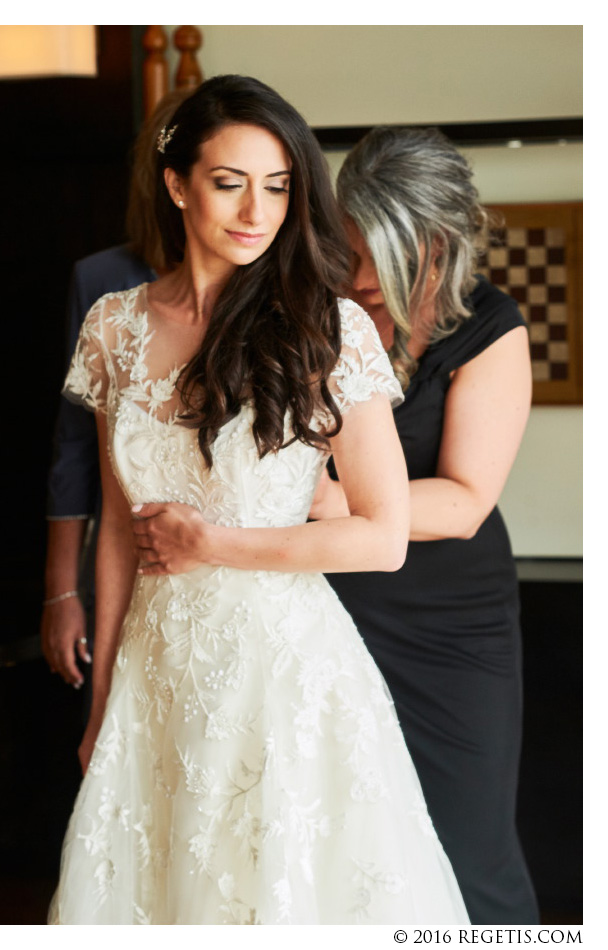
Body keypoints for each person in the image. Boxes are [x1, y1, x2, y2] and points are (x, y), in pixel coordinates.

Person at [47, 75, 469, 925]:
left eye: (277, 185)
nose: (257, 210)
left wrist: (216, 544)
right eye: (229, 181)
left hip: (284, 673)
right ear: (177, 184)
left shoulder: (328, 326)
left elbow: (382, 536)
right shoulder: (112, 327)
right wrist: (104, 707)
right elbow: (123, 534)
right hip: (156, 673)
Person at [309, 126, 539, 924]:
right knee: (346, 847)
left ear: (437, 244)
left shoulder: (489, 325)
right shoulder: (319, 314)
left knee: (468, 849)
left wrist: (344, 503)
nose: (361, 276)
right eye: (348, 248)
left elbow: (467, 498)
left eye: (383, 254)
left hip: (450, 628)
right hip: (328, 609)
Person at [41, 90, 189, 689]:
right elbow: (75, 445)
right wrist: (61, 591)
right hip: (126, 558)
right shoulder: (103, 284)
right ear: (168, 182)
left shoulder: (277, 289)